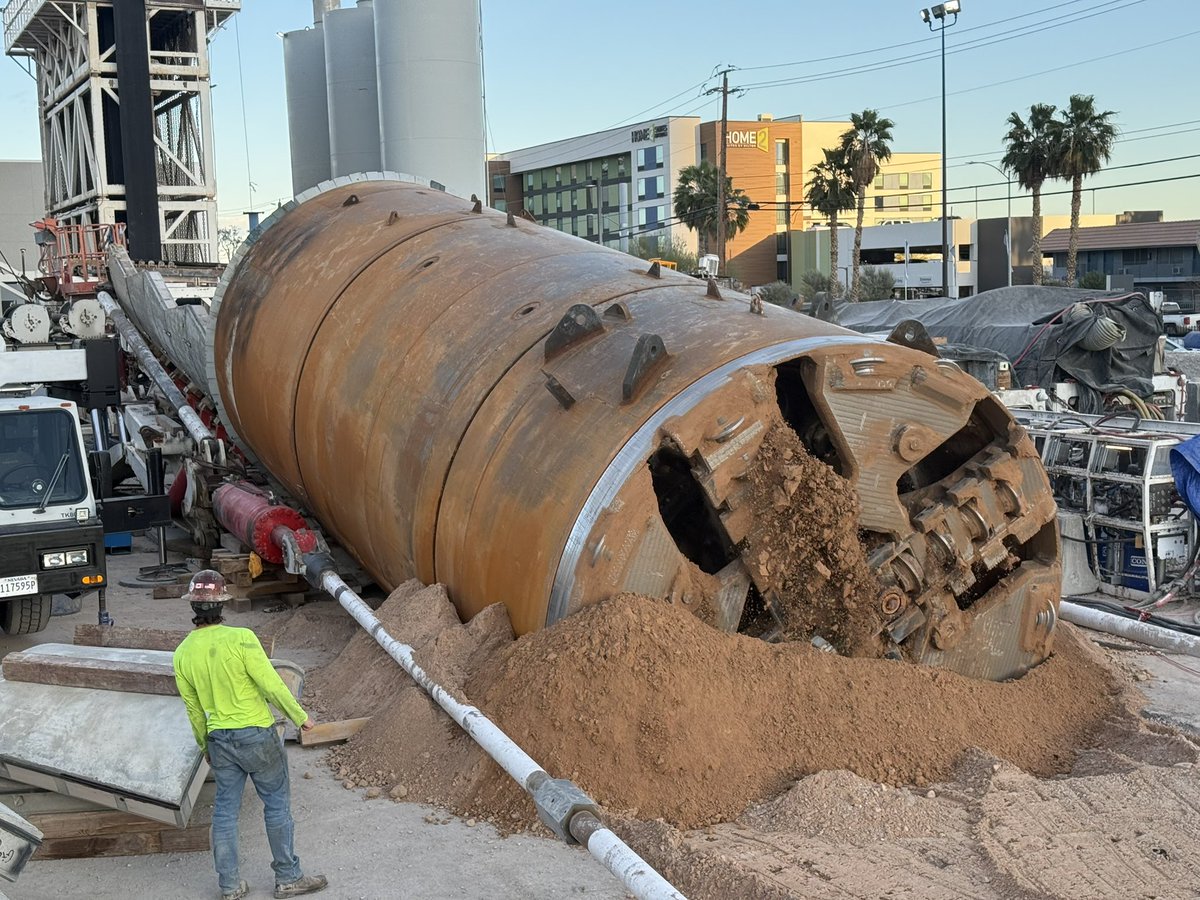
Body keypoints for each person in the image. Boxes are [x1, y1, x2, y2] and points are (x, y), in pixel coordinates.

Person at [173, 569, 328, 900]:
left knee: (225, 812)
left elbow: (194, 710)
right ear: (223, 604)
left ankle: (229, 886)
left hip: (220, 740)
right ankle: (288, 877)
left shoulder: (183, 653)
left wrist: (206, 746)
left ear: (193, 607)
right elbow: (271, 685)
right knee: (275, 803)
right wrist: (300, 717)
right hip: (257, 735)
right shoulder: (241, 639)